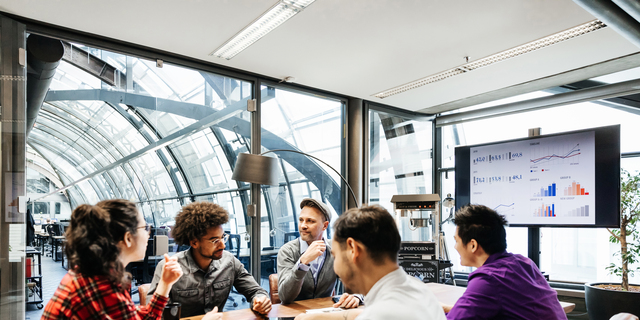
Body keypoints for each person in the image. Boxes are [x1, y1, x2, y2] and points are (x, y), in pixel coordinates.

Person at [41, 199, 221, 320]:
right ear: (128, 238)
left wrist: (165, 283)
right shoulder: (101, 286)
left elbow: (132, 315)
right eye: (145, 228)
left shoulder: (95, 273)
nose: (148, 233)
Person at [298, 205, 446, 320]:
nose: (335, 268)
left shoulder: (381, 315)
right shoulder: (417, 288)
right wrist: (319, 316)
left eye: (336, 256)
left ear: (353, 249)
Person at [147, 201, 271, 318]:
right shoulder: (170, 267)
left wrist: (260, 300)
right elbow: (153, 315)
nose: (222, 245)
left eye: (223, 237)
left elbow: (256, 291)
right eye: (215, 240)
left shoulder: (229, 261)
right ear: (194, 242)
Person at [445, 204, 567, 320]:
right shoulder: (523, 263)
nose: (455, 247)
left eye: (456, 240)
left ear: (473, 245)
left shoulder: (488, 279)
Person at [278, 198, 361, 308]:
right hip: (294, 316)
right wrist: (303, 262)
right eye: (301, 220)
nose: (303, 225)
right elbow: (285, 296)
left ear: (325, 225)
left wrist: (357, 296)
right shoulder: (287, 251)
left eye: (310, 221)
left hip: (325, 314)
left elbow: (355, 279)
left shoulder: (335, 248)